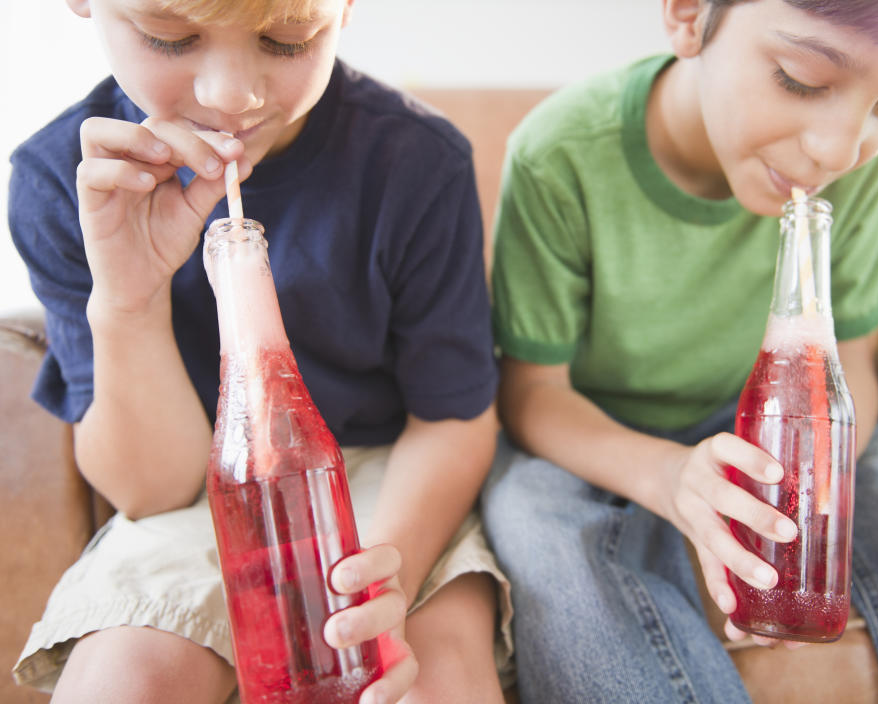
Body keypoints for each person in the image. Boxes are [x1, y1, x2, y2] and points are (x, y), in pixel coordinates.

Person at [9, 1, 512, 702]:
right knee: (127, 678)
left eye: (285, 40)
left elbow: (454, 422)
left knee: (439, 675)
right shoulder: (63, 182)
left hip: (387, 478)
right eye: (168, 37)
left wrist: (377, 580)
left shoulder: (416, 162)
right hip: (186, 503)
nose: (230, 95)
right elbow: (153, 491)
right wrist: (129, 302)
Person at [482, 0, 878, 701]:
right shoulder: (560, 153)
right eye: (800, 79)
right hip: (596, 435)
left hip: (782, 436)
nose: (839, 148)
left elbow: (850, 361)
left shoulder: (855, 163)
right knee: (545, 539)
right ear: (685, 14)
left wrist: (800, 494)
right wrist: (672, 478)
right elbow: (530, 394)